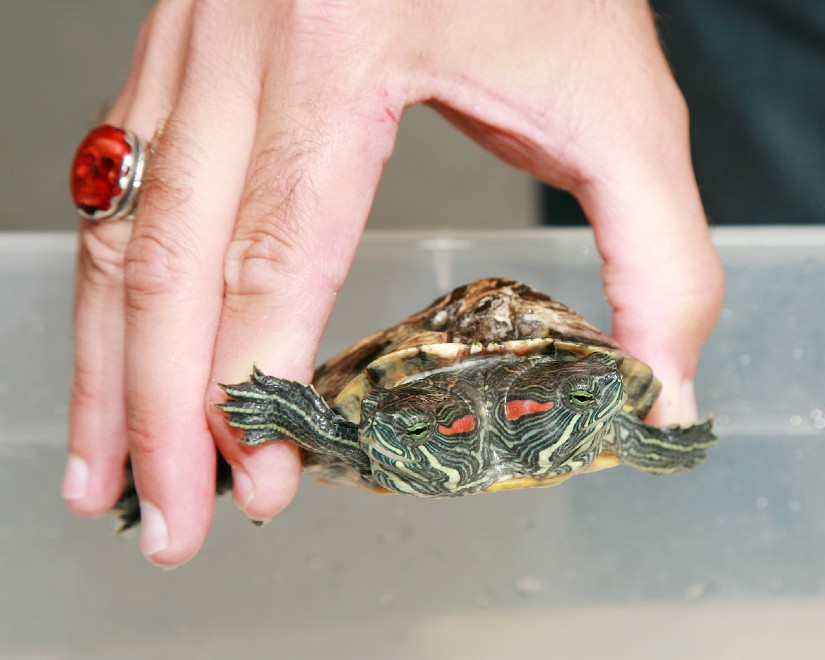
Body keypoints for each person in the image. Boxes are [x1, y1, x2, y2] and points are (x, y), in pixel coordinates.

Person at [61, 0, 724, 569]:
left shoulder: (592, 401)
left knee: (667, 543)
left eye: (585, 398)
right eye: (587, 397)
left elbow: (600, 392)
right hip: (429, 406)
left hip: (453, 416)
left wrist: (289, 413)